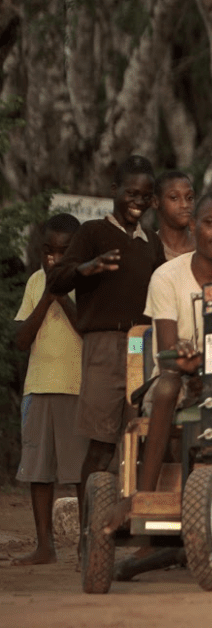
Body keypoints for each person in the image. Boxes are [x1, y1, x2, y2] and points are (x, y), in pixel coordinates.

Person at [104, 191, 212, 532]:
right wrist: (186, 363)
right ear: (194, 226)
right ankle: (143, 493)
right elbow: (168, 356)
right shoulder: (168, 277)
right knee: (169, 385)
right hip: (179, 381)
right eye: (211, 224)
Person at [47, 155, 165, 540]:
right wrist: (86, 268)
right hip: (102, 347)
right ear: (114, 192)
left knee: (138, 441)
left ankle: (131, 525)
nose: (138, 201)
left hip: (143, 349)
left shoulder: (153, 244)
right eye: (131, 192)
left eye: (146, 195)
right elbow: (57, 279)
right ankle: (89, 531)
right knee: (99, 446)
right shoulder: (93, 232)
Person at [12, 213, 85, 565]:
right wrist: (47, 296)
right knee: (39, 471)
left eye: (63, 252)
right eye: (48, 251)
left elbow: (89, 330)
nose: (54, 258)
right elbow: (21, 339)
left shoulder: (89, 282)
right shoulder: (34, 282)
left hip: (78, 388)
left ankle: (89, 543)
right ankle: (45, 545)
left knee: (81, 472)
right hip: (38, 387)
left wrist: (63, 295)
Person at [152, 170, 195, 260]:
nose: (185, 205)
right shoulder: (149, 250)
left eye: (190, 198)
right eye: (174, 198)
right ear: (155, 202)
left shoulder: (206, 248)